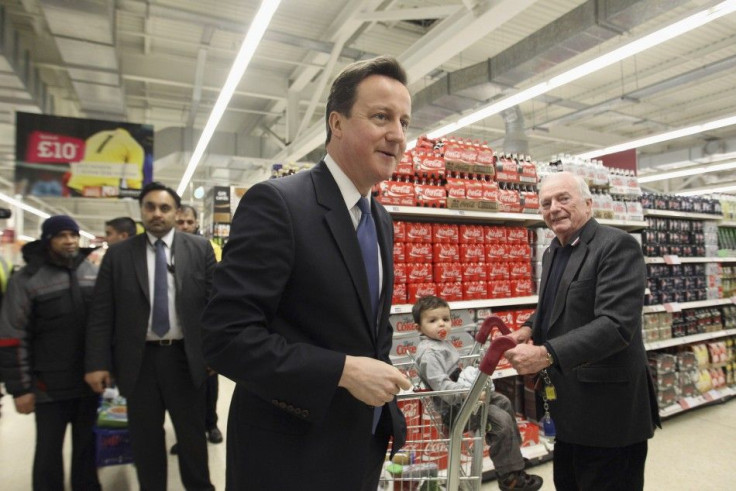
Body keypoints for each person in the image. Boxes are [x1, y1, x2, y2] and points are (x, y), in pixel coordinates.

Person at [201, 55, 412, 490]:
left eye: (404, 121)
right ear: (337, 123)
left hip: (360, 446)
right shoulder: (278, 204)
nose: (397, 135)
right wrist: (344, 371)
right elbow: (226, 337)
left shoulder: (381, 219)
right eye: (380, 117)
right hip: (290, 455)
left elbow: (369, 328)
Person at [504, 171, 660, 491]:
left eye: (564, 198)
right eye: (545, 203)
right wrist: (527, 328)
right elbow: (555, 306)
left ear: (588, 204)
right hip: (568, 407)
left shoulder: (616, 245)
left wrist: (547, 353)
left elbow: (616, 325)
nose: (554, 208)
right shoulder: (553, 251)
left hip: (609, 412)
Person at [84, 182, 215, 491]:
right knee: (145, 440)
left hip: (185, 359)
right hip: (137, 362)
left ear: (176, 212)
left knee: (192, 438)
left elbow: (215, 306)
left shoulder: (199, 250)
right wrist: (96, 362)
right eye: (150, 207)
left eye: (165, 208)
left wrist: (214, 353)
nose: (157, 214)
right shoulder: (117, 256)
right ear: (141, 211)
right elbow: (102, 313)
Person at [0, 215, 101, 491]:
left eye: (73, 235)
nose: (69, 241)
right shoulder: (27, 279)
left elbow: (103, 326)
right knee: (48, 452)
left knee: (87, 449)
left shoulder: (91, 272)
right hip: (47, 386)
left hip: (88, 382)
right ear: (48, 240)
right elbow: (11, 337)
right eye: (61, 236)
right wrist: (20, 389)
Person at [412, 295, 543, 491]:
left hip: (465, 400)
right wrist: (468, 392)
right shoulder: (429, 354)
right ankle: (510, 478)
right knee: (502, 421)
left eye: (445, 319)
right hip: (455, 408)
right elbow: (442, 387)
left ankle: (513, 459)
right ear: (418, 328)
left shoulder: (441, 343)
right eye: (432, 321)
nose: (441, 324)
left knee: (505, 402)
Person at [170, 204, 223, 456]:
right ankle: (188, 435)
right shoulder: (166, 251)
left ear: (195, 223)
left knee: (208, 385)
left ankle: (211, 424)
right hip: (176, 335)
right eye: (179, 222)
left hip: (203, 332)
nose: (184, 227)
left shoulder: (209, 249)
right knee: (181, 391)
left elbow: (216, 295)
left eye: (188, 222)